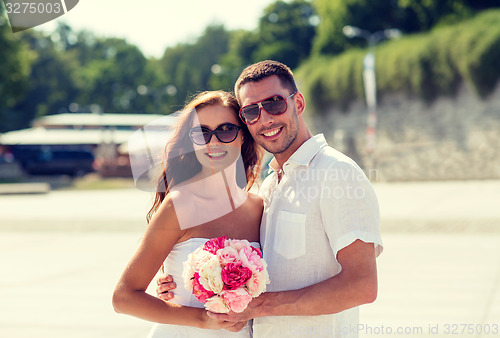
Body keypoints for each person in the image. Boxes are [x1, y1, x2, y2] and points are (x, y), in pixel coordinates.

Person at [157, 60, 383, 337]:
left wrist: (257, 306)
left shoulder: (337, 173)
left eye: (275, 104)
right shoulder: (269, 187)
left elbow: (361, 285)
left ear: (298, 103)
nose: (265, 119)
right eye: (251, 111)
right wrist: (185, 282)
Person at [112, 90, 264, 337]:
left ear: (243, 136)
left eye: (226, 130)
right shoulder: (179, 205)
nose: (213, 142)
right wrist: (202, 319)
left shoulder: (259, 208)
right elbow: (123, 298)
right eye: (202, 133)